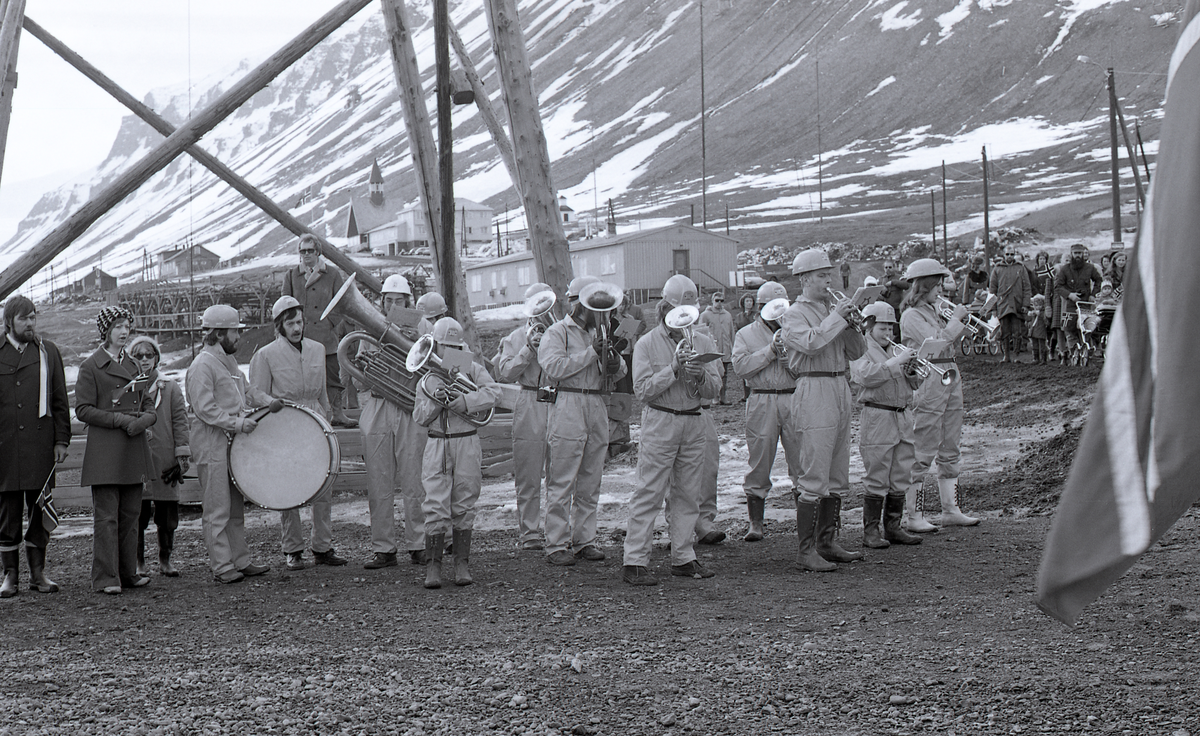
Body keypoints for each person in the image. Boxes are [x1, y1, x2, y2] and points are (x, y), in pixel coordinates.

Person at [621, 274, 722, 586]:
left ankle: (683, 556)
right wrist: (674, 368)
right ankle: (635, 560)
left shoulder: (703, 340)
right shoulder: (647, 344)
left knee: (689, 493)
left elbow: (715, 389)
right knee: (648, 491)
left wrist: (701, 374)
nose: (684, 317)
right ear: (664, 307)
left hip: (694, 420)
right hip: (661, 420)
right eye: (678, 309)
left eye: (689, 310)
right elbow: (642, 390)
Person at [780, 249, 867, 572]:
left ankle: (827, 541)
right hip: (813, 387)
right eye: (820, 275)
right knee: (814, 470)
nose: (828, 281)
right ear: (804, 279)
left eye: (828, 275)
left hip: (839, 385)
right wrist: (838, 318)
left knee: (837, 471)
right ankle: (806, 551)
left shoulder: (833, 310)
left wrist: (853, 325)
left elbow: (857, 352)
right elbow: (812, 344)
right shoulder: (793, 314)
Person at [249, 295, 348, 570]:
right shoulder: (265, 355)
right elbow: (256, 395)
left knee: (323, 484)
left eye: (300, 322)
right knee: (288, 487)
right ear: (280, 325)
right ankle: (292, 548)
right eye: (291, 323)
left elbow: (324, 391)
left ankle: (323, 546)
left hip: (316, 421)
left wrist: (327, 416)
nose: (297, 328)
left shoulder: (317, 349)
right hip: (285, 425)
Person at [185, 304, 280, 585]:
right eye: (234, 332)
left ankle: (240, 559)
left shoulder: (227, 363)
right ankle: (222, 565)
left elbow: (246, 391)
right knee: (217, 507)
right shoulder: (202, 365)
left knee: (235, 506)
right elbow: (205, 409)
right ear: (218, 333)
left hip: (232, 444)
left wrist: (269, 402)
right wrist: (238, 424)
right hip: (212, 444)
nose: (238, 337)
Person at [538, 276, 625, 566]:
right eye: (595, 307)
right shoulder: (557, 332)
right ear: (577, 304)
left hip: (596, 402)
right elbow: (553, 368)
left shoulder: (601, 331)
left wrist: (616, 363)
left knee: (591, 477)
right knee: (561, 479)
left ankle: (584, 539)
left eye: (604, 309)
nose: (602, 314)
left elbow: (620, 369)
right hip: (568, 403)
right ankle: (555, 543)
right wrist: (591, 353)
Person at [413, 317, 500, 588]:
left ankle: (461, 563)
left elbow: (494, 393)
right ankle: (433, 566)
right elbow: (419, 416)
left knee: (465, 501)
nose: (448, 353)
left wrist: (465, 401)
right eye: (444, 346)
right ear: (435, 346)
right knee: (435, 504)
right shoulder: (426, 379)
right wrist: (437, 403)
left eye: (454, 346)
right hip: (437, 442)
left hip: (466, 441)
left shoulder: (473, 369)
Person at [75, 306, 156, 594]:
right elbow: (83, 410)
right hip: (106, 452)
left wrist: (148, 417)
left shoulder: (134, 365)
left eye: (127, 326)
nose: (124, 331)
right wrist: (120, 420)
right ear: (106, 330)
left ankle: (127, 573)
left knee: (131, 514)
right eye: (119, 326)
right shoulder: (90, 367)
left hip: (133, 448)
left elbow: (147, 401)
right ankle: (106, 577)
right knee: (107, 517)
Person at [899, 259, 979, 531]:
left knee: (951, 444)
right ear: (924, 286)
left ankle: (951, 509)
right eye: (936, 285)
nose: (941, 290)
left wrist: (960, 321)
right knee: (923, 445)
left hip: (950, 373)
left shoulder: (935, 310)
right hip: (930, 375)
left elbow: (950, 340)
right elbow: (936, 342)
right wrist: (956, 320)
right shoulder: (911, 315)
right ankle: (914, 515)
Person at [355, 274, 428, 568]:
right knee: (378, 481)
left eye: (399, 301)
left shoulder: (424, 328)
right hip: (378, 405)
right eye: (388, 301)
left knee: (415, 480)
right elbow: (358, 383)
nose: (393, 305)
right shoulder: (369, 330)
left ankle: (419, 544)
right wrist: (368, 363)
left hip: (409, 408)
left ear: (408, 303)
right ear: (382, 303)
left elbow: (448, 363)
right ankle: (383, 548)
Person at [0, 295, 70, 597]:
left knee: (40, 510)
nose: (30, 323)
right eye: (23, 318)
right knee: (8, 514)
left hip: (41, 446)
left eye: (33, 317)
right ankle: (10, 575)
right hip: (6, 448)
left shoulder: (47, 352)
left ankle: (38, 573)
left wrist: (61, 440)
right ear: (9, 322)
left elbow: (59, 401)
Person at [849, 302, 924, 549]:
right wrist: (896, 363)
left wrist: (911, 373)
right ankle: (871, 532)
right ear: (869, 326)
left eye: (891, 329)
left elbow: (913, 386)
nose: (888, 334)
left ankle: (893, 527)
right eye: (882, 328)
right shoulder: (861, 348)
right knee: (877, 473)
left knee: (901, 472)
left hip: (902, 415)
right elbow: (865, 376)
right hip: (878, 416)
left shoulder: (895, 350)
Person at [731, 281, 798, 542]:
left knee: (801, 459)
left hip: (793, 396)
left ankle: (805, 519)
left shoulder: (795, 330)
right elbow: (741, 368)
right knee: (759, 461)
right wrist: (770, 352)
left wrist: (789, 362)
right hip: (761, 399)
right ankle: (756, 523)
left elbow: (805, 368)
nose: (779, 314)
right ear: (760, 308)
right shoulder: (745, 334)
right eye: (772, 308)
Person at [494, 282, 554, 551]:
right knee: (528, 472)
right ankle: (529, 532)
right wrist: (528, 348)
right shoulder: (515, 337)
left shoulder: (562, 334)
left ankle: (557, 532)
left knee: (560, 474)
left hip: (556, 398)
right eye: (536, 306)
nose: (541, 312)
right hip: (530, 398)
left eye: (545, 305)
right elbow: (504, 373)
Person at [126, 336, 189, 578]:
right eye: (138, 355)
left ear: (156, 358)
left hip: (164, 458)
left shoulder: (170, 387)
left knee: (167, 512)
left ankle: (165, 559)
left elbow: (181, 423)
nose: (144, 360)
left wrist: (182, 454)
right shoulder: (128, 388)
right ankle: (139, 561)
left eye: (148, 355)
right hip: (138, 458)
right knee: (137, 513)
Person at [281, 233, 355, 428]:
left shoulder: (332, 274)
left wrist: (330, 323)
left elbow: (342, 303)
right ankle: (306, 417)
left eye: (310, 251)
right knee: (301, 379)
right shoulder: (291, 276)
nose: (306, 255)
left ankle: (338, 413)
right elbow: (284, 306)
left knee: (333, 376)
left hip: (326, 337)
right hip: (300, 339)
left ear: (318, 252)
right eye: (302, 251)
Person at [605, 291, 644, 457]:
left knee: (621, 395)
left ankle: (620, 432)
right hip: (603, 364)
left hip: (617, 361)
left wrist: (619, 344)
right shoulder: (604, 323)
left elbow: (618, 342)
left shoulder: (614, 322)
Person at [1053, 244, 1104, 363]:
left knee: (1086, 329)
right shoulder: (1064, 269)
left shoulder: (1090, 268)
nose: (1077, 256)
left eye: (1079, 253)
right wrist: (1070, 295)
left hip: (1085, 303)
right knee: (1069, 330)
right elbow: (1058, 286)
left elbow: (1099, 280)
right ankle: (1073, 353)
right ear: (1071, 254)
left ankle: (1085, 352)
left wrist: (1093, 294)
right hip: (1070, 304)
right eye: (1075, 253)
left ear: (1083, 254)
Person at [988, 244, 1032, 363]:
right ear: (1003, 255)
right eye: (1007, 254)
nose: (1009, 256)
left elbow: (1027, 288)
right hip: (1003, 304)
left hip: (1017, 304)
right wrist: (993, 308)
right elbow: (992, 290)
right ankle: (1006, 356)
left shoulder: (1021, 268)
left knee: (1018, 332)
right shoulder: (997, 269)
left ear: (1015, 254)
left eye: (1012, 254)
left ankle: (1016, 356)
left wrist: (1025, 304)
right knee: (1005, 332)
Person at [699, 290, 735, 404]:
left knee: (725, 374)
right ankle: (714, 397)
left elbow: (731, 333)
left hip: (725, 349)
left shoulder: (727, 315)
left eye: (721, 301)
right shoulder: (705, 315)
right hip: (712, 349)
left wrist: (733, 347)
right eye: (717, 300)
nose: (719, 303)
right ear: (712, 301)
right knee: (713, 372)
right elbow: (700, 332)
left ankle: (723, 397)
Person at [733, 292, 759, 402]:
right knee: (744, 368)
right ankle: (746, 394)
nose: (749, 303)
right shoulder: (739, 316)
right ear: (743, 303)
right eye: (746, 301)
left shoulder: (756, 315)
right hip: (743, 344)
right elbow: (736, 329)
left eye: (750, 301)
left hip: (755, 343)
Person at [1027, 294, 1050, 365]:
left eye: (1039, 305)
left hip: (1041, 331)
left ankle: (1043, 359)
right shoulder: (1034, 313)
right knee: (1034, 345)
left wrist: (1040, 314)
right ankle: (1036, 358)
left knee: (1042, 345)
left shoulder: (1043, 313)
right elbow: (1029, 320)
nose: (1037, 307)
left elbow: (1047, 321)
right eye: (1035, 305)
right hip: (1034, 331)